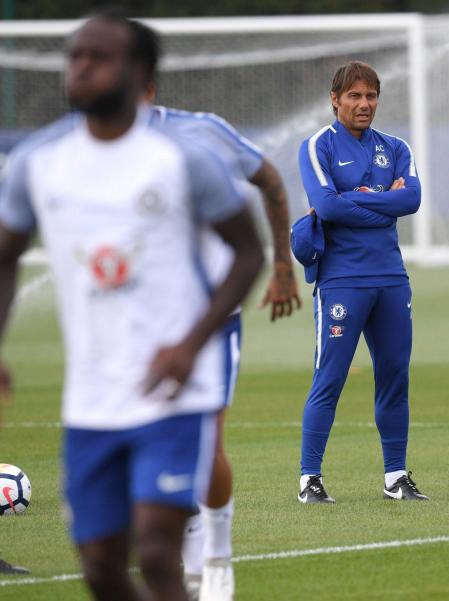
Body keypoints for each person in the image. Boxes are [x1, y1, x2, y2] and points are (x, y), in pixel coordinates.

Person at [0, 11, 263, 601]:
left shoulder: (182, 158)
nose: (82, 68)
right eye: (75, 57)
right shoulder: (38, 163)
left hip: (174, 391)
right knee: (99, 567)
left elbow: (248, 253)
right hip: (91, 395)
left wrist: (190, 346)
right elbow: (5, 255)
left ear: (138, 71)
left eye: (98, 57)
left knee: (156, 551)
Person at [145, 91, 300, 599]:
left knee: (205, 438)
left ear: (145, 84)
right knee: (147, 441)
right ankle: (180, 554)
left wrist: (282, 266)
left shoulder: (203, 131)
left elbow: (269, 180)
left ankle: (216, 554)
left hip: (213, 316)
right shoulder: (88, 151)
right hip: (138, 323)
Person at [297, 61, 427, 503]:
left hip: (391, 278)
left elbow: (412, 199)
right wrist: (377, 199)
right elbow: (326, 208)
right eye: (354, 96)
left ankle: (396, 477)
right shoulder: (317, 146)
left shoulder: (395, 146)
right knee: (329, 378)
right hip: (341, 280)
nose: (364, 104)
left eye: (370, 95)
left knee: (395, 376)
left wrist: (354, 198)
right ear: (335, 100)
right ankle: (309, 479)